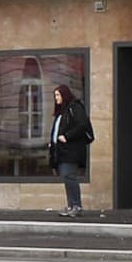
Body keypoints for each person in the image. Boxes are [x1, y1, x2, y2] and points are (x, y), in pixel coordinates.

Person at [46, 84, 94, 215]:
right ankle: (71, 205)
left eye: (58, 95)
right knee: (67, 177)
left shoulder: (75, 107)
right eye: (55, 95)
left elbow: (82, 125)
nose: (56, 98)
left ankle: (76, 206)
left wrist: (67, 137)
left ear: (64, 95)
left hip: (72, 150)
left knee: (69, 176)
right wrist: (53, 143)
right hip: (62, 150)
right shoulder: (62, 112)